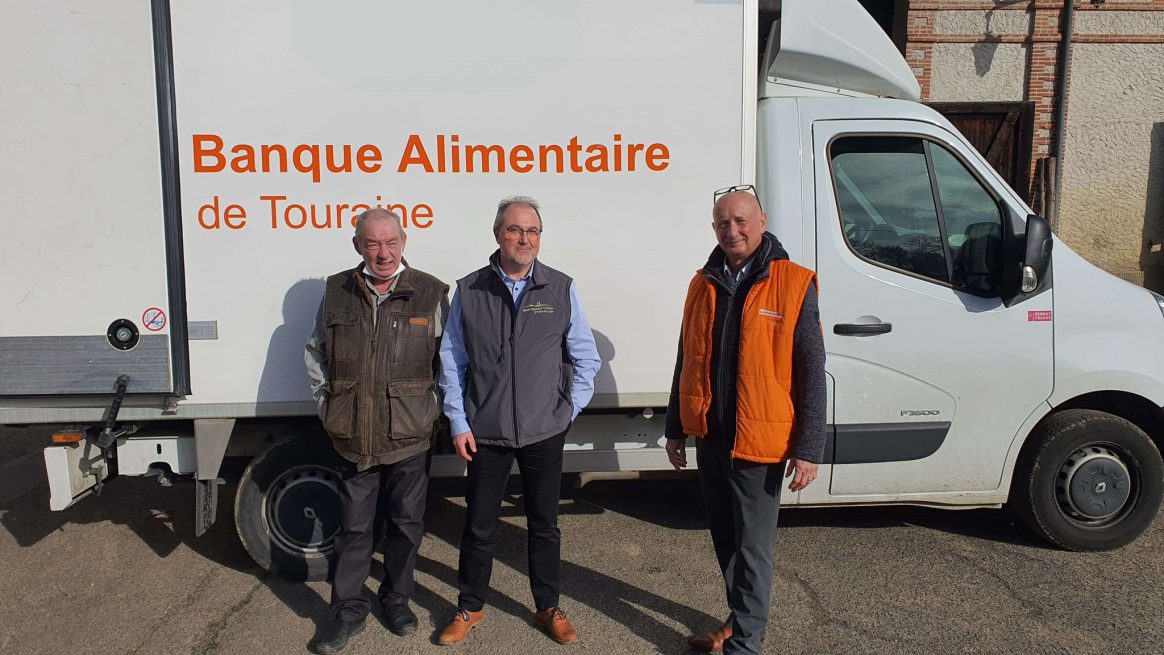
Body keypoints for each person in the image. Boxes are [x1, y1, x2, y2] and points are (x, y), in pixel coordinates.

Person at [665, 186, 826, 655]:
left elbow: (812, 371)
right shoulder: (703, 281)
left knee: (753, 550)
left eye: (740, 221)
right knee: (726, 540)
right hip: (712, 435)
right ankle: (739, 622)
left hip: (761, 440)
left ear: (762, 222)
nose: (731, 231)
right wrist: (677, 426)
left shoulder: (794, 283)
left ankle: (746, 645)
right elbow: (686, 358)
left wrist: (809, 446)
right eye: (722, 223)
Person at [436, 196, 601, 646]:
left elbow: (586, 356)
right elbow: (452, 361)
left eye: (532, 231)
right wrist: (458, 421)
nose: (524, 238)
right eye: (514, 230)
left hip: (543, 430)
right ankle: (470, 607)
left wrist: (568, 409)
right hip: (485, 432)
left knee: (544, 524)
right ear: (497, 235)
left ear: (540, 237)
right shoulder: (470, 290)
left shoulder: (561, 288)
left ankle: (548, 606)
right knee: (479, 525)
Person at [304, 208, 448, 653]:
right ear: (358, 247)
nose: (382, 253)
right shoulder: (336, 290)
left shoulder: (430, 292)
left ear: (403, 243)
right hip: (354, 436)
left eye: (390, 242)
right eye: (372, 243)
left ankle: (396, 599)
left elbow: (450, 363)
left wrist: (432, 412)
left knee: (406, 525)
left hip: (410, 435)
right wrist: (328, 405)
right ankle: (347, 612)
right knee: (353, 530)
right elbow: (316, 354)